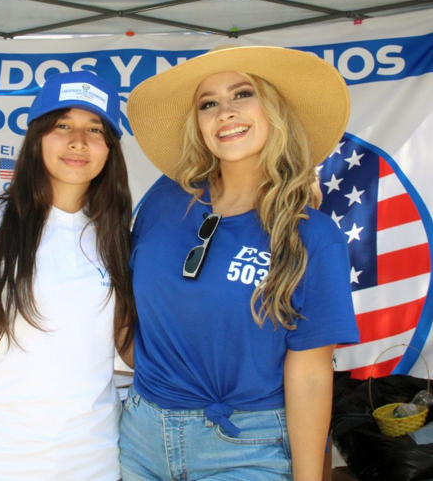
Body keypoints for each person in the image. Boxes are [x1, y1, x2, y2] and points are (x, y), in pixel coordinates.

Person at [121, 46, 360, 481]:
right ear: (199, 125)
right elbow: (125, 291)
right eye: (208, 103)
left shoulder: (312, 235)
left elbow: (309, 375)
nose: (224, 112)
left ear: (274, 112)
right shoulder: (165, 197)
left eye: (242, 95)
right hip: (140, 436)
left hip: (246, 446)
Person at [0, 71, 135, 481]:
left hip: (99, 462)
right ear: (38, 136)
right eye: (63, 125)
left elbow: (128, 346)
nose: (78, 140)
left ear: (109, 150)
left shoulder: (116, 235)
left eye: (95, 129)